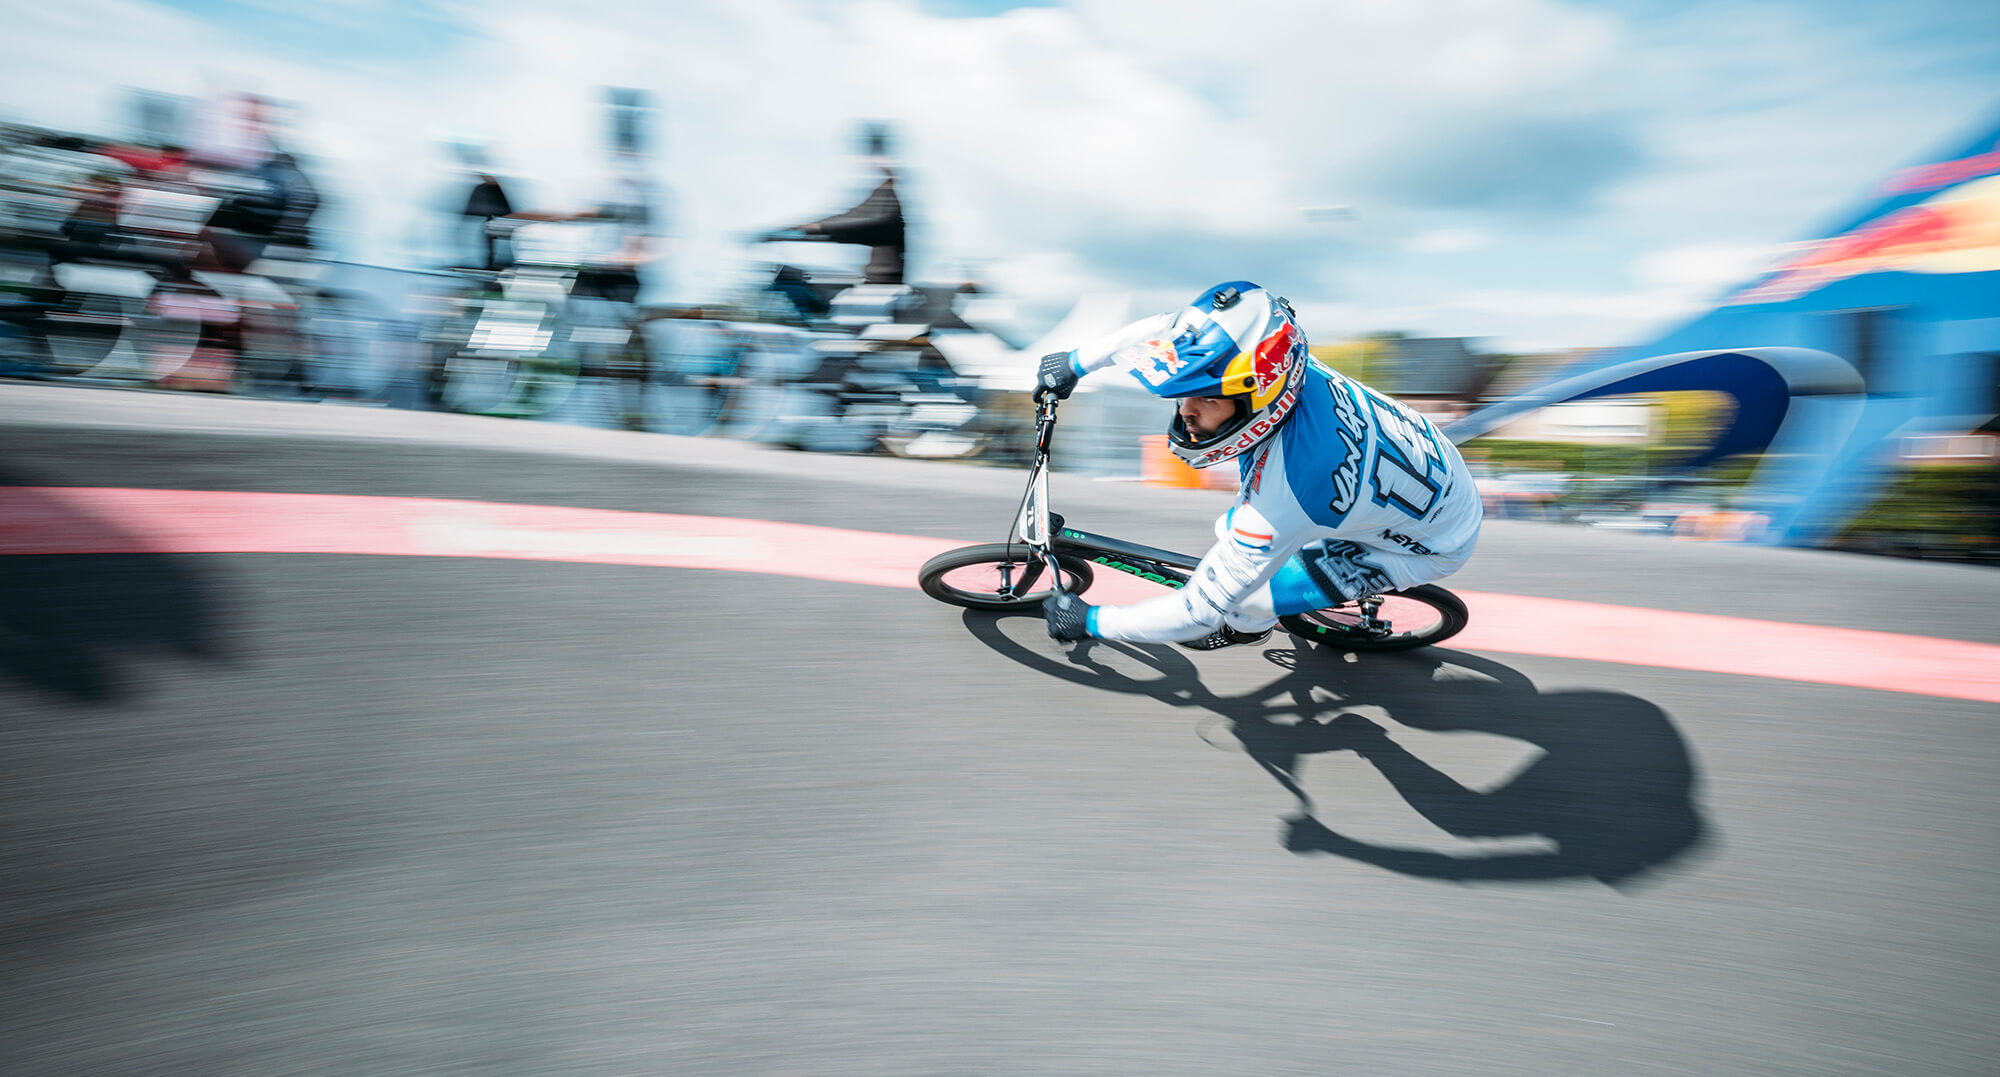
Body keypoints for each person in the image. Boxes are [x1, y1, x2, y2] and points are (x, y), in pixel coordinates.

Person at [1035, 281, 1483, 649]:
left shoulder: (1292, 491)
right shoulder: (1277, 359)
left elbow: (1194, 616)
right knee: (1236, 534)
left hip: (1430, 542)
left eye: (1207, 397)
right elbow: (1166, 332)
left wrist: (1092, 621)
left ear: (1259, 395)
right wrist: (1076, 363)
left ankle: (1248, 631)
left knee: (1244, 604)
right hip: (1426, 467)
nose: (1185, 410)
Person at [760, 122, 906, 285]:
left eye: (877, 153)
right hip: (874, 284)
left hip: (883, 290)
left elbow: (854, 223)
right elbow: (849, 219)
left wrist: (791, 232)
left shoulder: (889, 197)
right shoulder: (883, 193)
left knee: (794, 281)